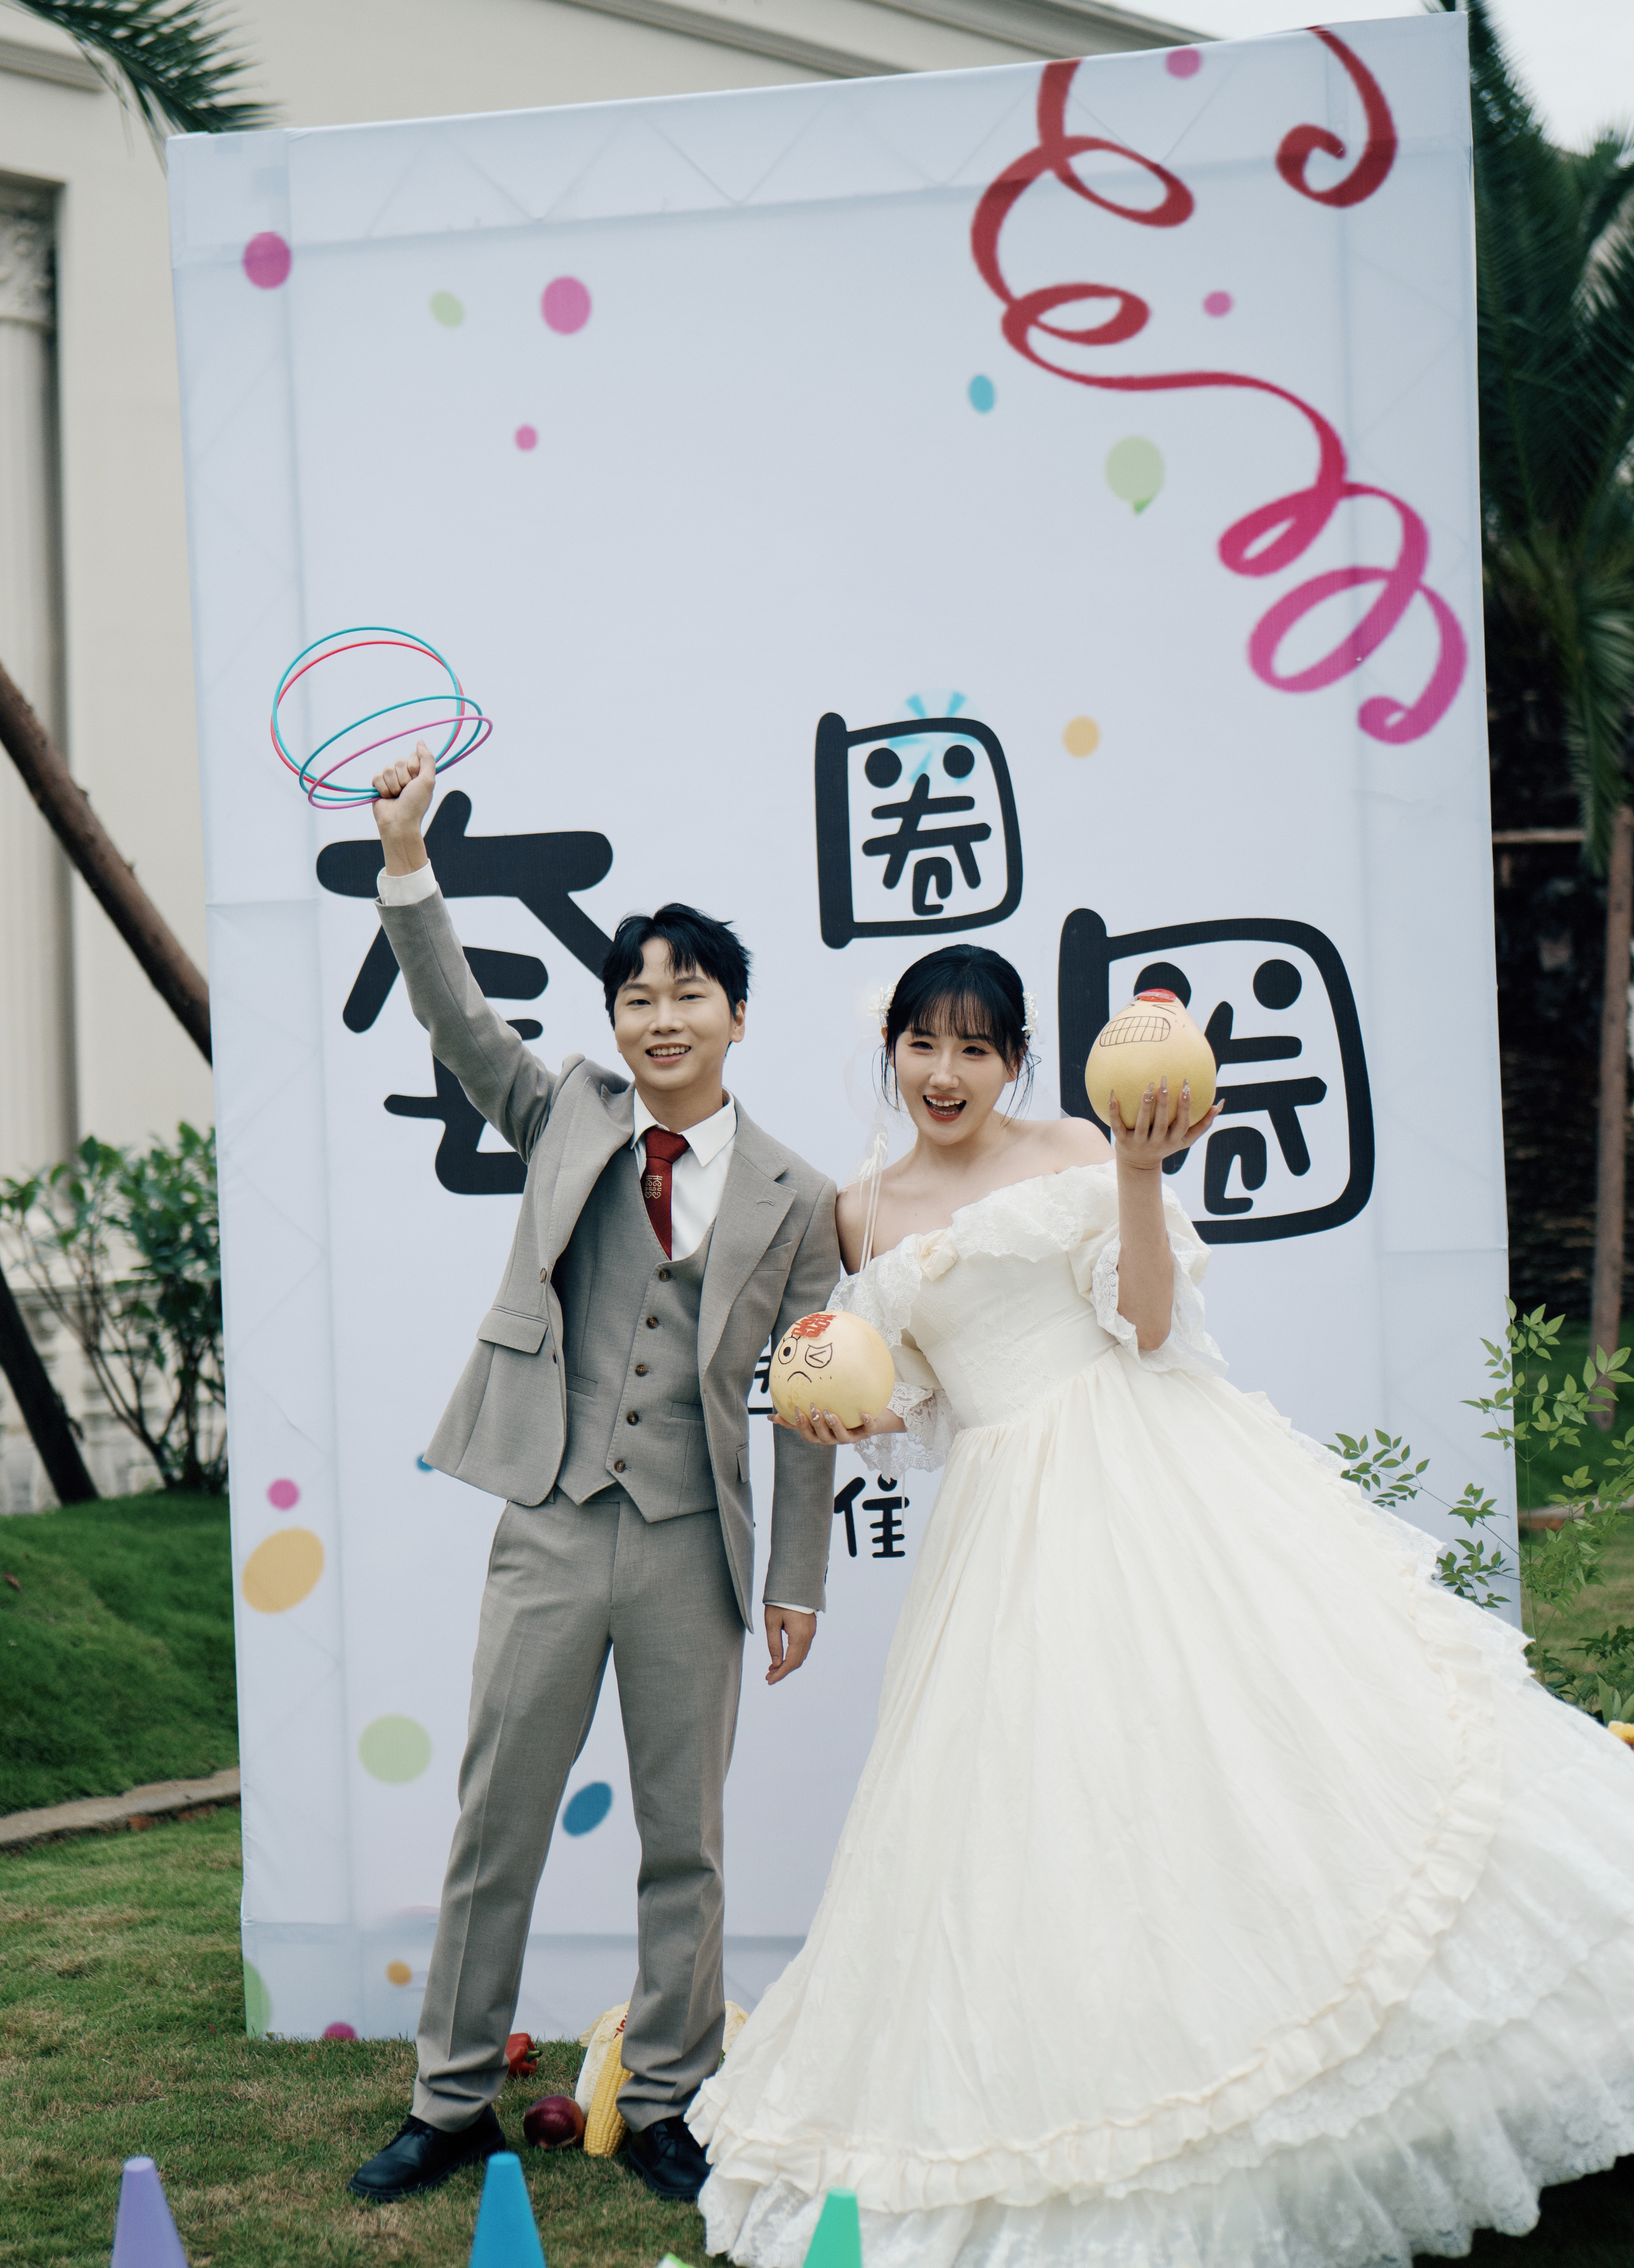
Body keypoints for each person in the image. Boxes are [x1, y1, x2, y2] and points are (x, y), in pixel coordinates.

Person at [689, 941, 1634, 2268]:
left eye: (975, 1049)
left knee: (1256, 1759)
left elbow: (1144, 1326)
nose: (945, 1074)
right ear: (889, 1051)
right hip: (999, 1525)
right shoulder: (858, 1212)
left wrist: (1137, 1175)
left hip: (1141, 1472)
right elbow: (925, 1398)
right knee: (1056, 1816)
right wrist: (858, 1416)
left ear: (1015, 1061)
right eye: (923, 1044)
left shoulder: (1080, 1146)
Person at [347, 743, 841, 2207]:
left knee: (687, 1842)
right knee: (498, 1817)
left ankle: (671, 2099)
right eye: (637, 996)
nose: (661, 1016)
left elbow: (811, 1403)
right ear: (615, 1020)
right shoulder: (566, 1109)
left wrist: (797, 1581)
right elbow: (456, 1020)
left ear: (737, 1015)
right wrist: (407, 862)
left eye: (689, 993)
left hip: (694, 1543)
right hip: (554, 1520)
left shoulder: (800, 1199)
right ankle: (450, 2102)